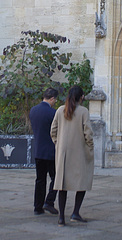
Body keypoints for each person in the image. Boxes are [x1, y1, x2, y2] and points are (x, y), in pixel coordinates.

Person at [50, 85, 94, 226]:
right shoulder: (83, 111)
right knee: (82, 182)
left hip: (63, 153)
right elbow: (88, 132)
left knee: (62, 184)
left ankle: (61, 217)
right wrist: (90, 147)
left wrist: (58, 144)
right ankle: (75, 212)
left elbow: (53, 130)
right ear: (81, 97)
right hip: (79, 152)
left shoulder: (60, 110)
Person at [29, 87, 59, 216]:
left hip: (39, 151)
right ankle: (49, 201)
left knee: (40, 180)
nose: (55, 102)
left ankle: (38, 207)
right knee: (56, 178)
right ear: (52, 98)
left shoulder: (33, 110)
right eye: (55, 100)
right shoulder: (53, 113)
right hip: (51, 152)